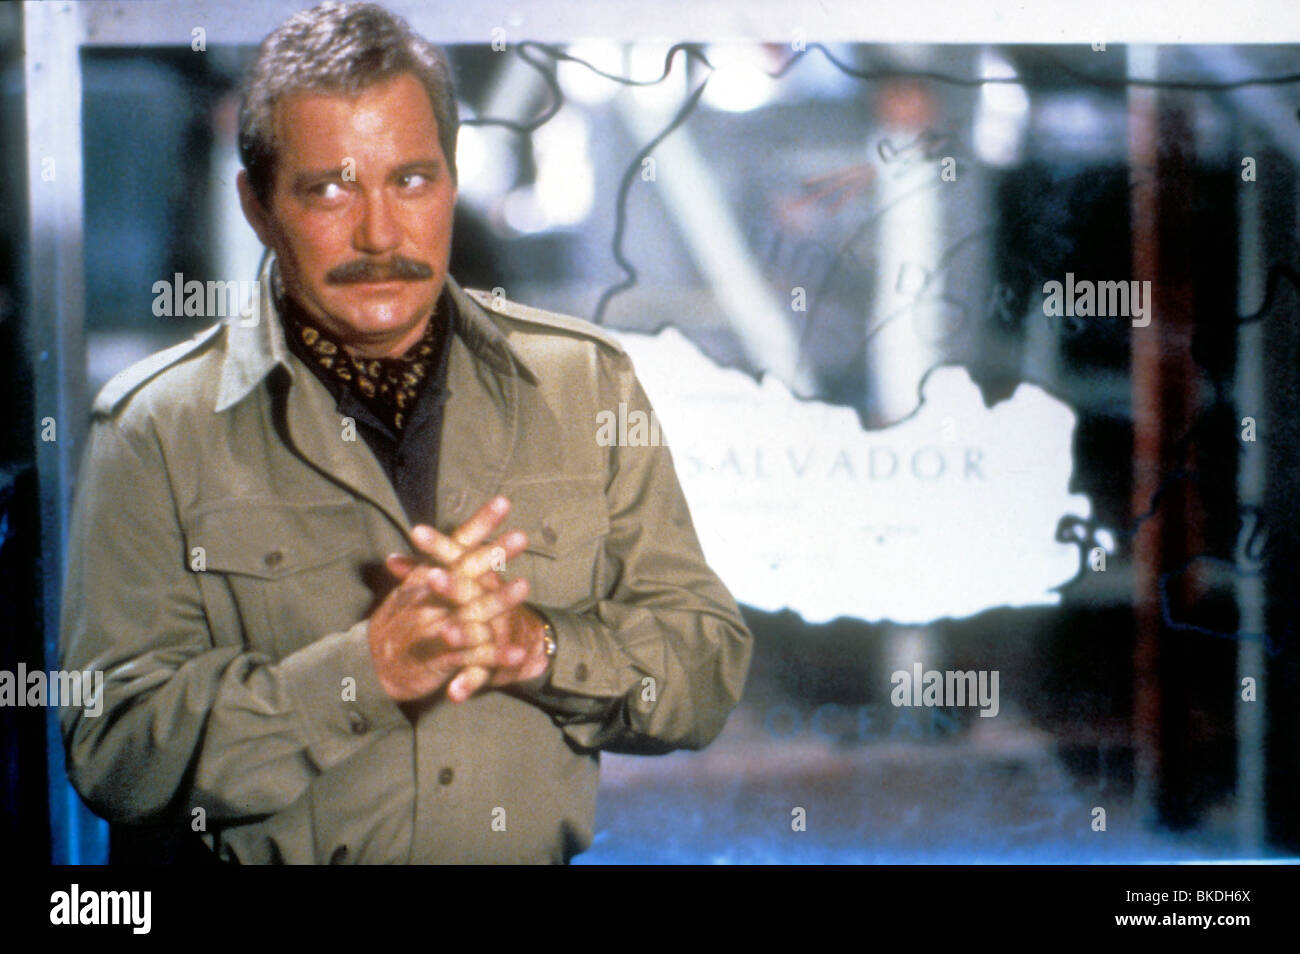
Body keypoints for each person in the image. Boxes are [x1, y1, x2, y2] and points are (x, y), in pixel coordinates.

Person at [58, 1, 752, 864]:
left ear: (453, 185)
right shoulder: (156, 428)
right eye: (330, 189)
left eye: (412, 181)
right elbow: (114, 753)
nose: (380, 234)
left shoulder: (586, 385)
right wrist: (364, 674)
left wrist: (534, 646)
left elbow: (704, 672)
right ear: (257, 206)